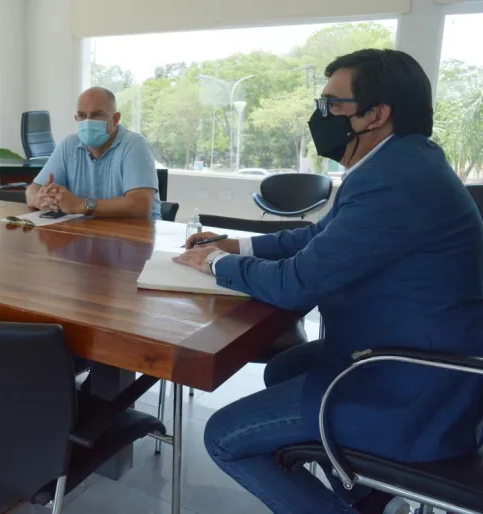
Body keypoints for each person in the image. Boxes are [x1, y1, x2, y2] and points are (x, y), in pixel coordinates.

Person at [175, 49, 483, 514]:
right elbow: (317, 236)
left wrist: (216, 263)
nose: (320, 115)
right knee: (283, 369)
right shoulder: (401, 162)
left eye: (332, 104)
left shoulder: (393, 181)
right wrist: (236, 245)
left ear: (376, 114)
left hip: (413, 388)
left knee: (224, 437)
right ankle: (364, 494)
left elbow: (294, 284)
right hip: (401, 349)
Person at [26, 87, 162, 220]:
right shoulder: (69, 145)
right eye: (82, 115)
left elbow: (141, 206)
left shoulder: (134, 145)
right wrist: (38, 199)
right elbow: (33, 189)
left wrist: (81, 205)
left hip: (137, 232)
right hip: (87, 230)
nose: (88, 122)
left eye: (97, 115)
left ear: (115, 119)